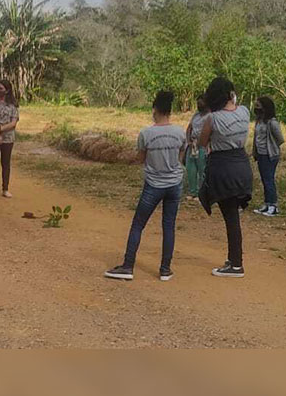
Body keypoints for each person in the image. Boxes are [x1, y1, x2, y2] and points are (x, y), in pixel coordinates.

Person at [104, 91, 187, 282]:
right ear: (170, 111)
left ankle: (128, 266)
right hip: (175, 184)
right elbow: (181, 157)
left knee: (138, 224)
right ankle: (165, 269)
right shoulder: (180, 132)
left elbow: (141, 158)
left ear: (155, 110)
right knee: (169, 226)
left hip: (154, 185)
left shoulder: (146, 134)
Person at [197, 77, 253, 278]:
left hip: (223, 168)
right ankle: (233, 259)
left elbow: (202, 143)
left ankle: (236, 264)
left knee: (230, 217)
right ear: (231, 94)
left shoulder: (212, 119)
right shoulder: (244, 112)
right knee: (233, 214)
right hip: (242, 165)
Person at [251, 96, 285, 217]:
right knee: (264, 179)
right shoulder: (259, 121)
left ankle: (273, 205)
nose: (256, 108)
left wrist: (272, 147)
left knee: (269, 179)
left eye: (258, 106)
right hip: (260, 154)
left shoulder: (272, 122)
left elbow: (280, 139)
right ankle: (267, 203)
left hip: (269, 155)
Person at [183, 96, 210, 199]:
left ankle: (201, 193)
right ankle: (192, 192)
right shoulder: (196, 115)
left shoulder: (210, 116)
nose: (199, 105)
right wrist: (188, 140)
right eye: (198, 103)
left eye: (201, 103)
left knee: (202, 169)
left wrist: (202, 142)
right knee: (190, 168)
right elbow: (189, 128)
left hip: (203, 145)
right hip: (192, 145)